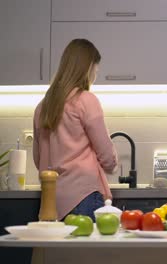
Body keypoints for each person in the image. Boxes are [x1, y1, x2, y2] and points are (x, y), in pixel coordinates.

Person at [33, 39, 118, 221]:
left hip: (51, 200)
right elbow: (107, 155)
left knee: (59, 250)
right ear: (88, 68)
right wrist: (112, 165)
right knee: (86, 250)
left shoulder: (42, 107)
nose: (97, 73)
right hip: (83, 196)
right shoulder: (86, 100)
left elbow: (38, 158)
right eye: (96, 68)